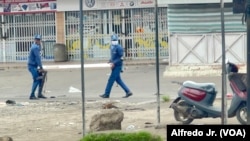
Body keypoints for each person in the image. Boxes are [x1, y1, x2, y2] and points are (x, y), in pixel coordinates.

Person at [100, 34, 133, 98]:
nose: (114, 41)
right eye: (113, 40)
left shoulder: (119, 47)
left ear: (117, 40)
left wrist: (114, 63)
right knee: (118, 80)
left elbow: (121, 58)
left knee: (111, 80)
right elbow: (113, 56)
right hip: (114, 65)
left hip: (118, 66)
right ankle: (128, 91)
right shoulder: (112, 47)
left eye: (115, 40)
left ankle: (107, 94)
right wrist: (110, 61)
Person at [27, 34, 47, 100]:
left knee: (41, 79)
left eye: (39, 40)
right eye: (37, 39)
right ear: (35, 40)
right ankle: (32, 95)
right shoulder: (35, 47)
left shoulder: (36, 46)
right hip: (32, 66)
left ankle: (39, 94)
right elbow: (38, 58)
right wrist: (41, 67)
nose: (38, 41)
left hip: (34, 66)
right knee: (37, 79)